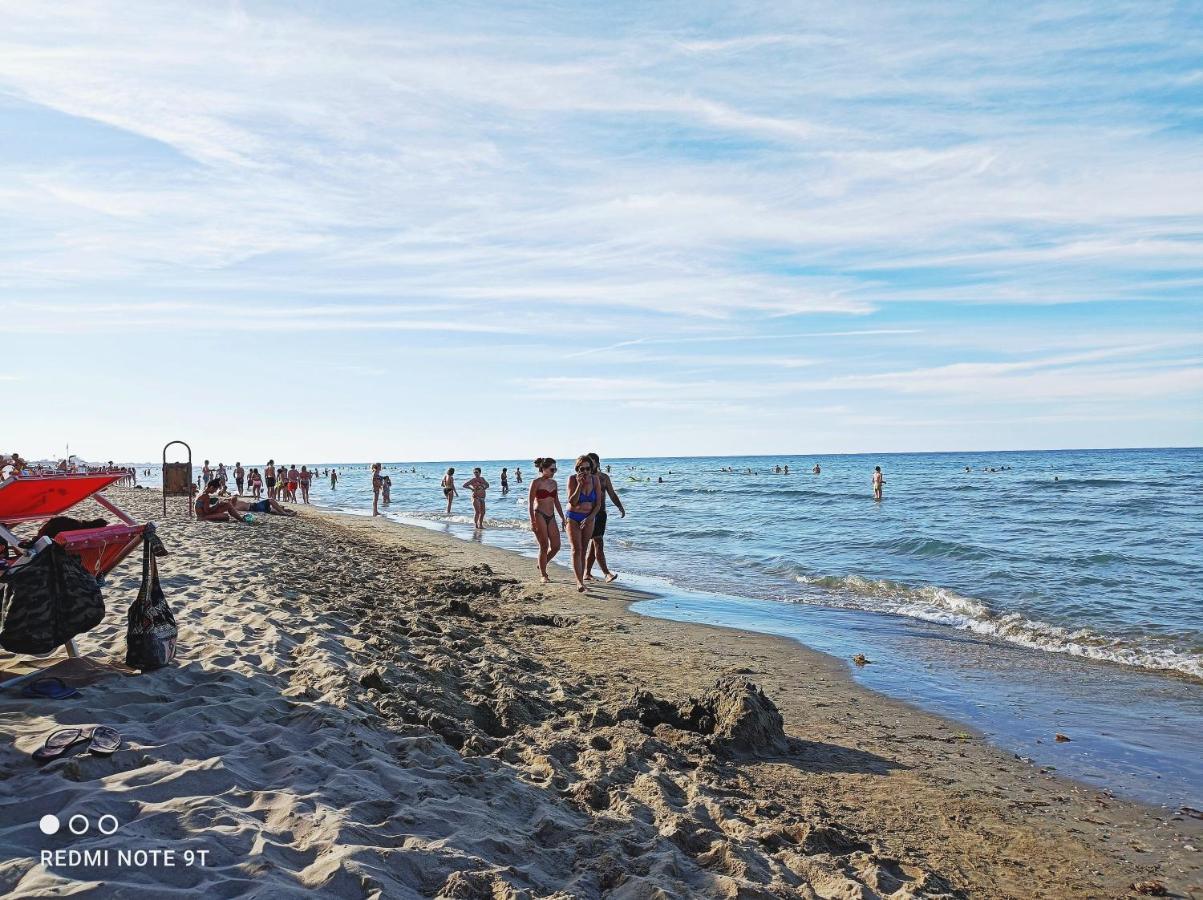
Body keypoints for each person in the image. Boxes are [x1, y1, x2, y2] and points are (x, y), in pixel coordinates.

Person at [585, 452, 625, 583]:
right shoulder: (585, 477)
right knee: (598, 542)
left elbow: (612, 494)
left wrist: (620, 506)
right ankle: (606, 573)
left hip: (601, 514)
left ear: (597, 463)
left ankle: (587, 572)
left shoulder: (603, 478)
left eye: (591, 462)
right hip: (587, 514)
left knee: (594, 544)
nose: (589, 465)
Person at [566, 455, 601, 592]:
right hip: (573, 516)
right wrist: (579, 485)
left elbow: (598, 504)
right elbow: (572, 501)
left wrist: (590, 518)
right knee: (576, 548)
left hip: (589, 517)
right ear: (577, 469)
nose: (585, 471)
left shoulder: (595, 480)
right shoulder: (572, 479)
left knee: (584, 548)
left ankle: (581, 580)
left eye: (588, 468)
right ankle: (579, 582)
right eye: (582, 469)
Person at [528, 457, 565, 583]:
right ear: (543, 469)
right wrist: (532, 521)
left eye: (555, 470)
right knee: (544, 546)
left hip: (551, 516)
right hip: (539, 515)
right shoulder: (536, 482)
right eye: (551, 469)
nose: (554, 472)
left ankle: (542, 563)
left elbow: (557, 501)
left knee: (556, 546)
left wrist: (562, 517)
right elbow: (530, 503)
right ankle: (543, 575)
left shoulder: (554, 483)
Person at [230, 495, 297, 517]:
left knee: (275, 510)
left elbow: (234, 497)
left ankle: (287, 512)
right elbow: (234, 498)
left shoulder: (235, 504)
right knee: (270, 500)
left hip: (255, 507)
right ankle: (285, 513)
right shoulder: (235, 506)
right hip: (255, 507)